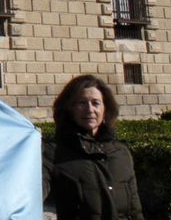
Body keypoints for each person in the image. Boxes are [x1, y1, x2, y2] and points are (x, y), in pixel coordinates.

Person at [43, 74, 144, 220]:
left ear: (105, 109)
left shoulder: (122, 153)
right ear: (69, 109)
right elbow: (34, 194)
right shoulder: (52, 153)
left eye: (95, 103)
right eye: (82, 103)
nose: (89, 109)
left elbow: (135, 210)